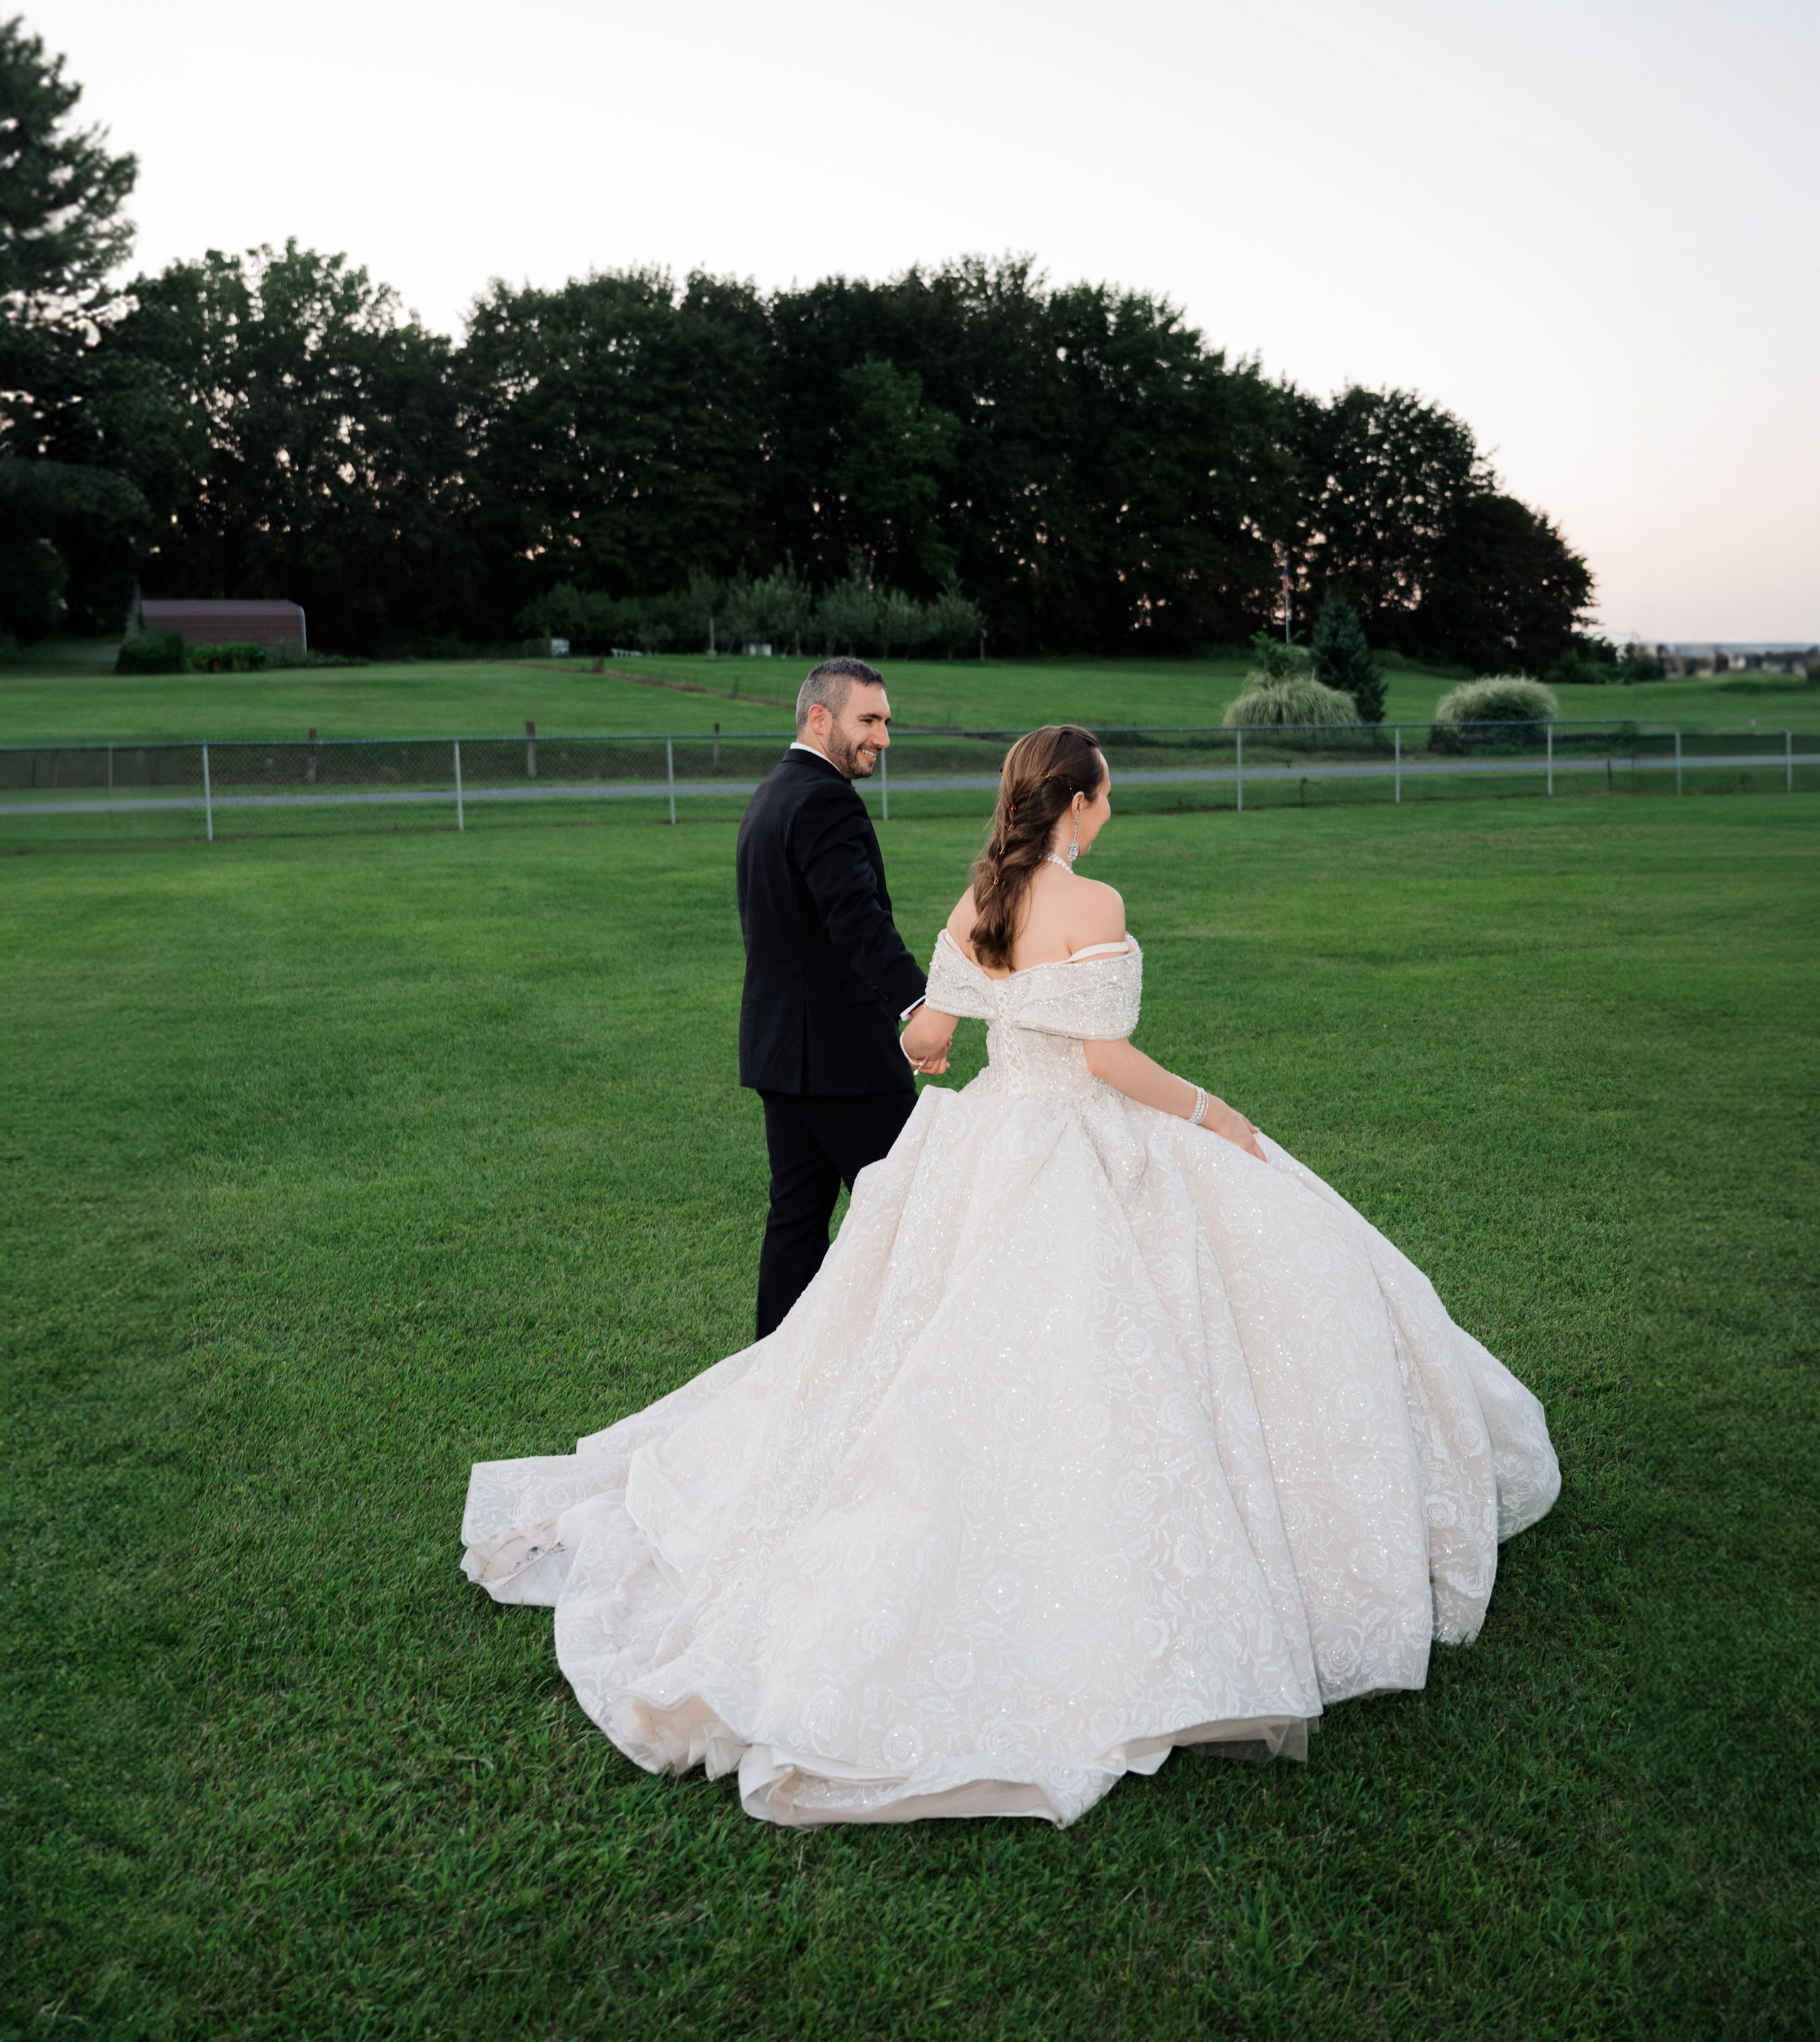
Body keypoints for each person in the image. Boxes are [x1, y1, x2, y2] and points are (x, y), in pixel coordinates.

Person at [462, 725, 1561, 1829]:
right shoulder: (1096, 904)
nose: (1113, 809)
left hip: (987, 1141)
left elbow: (928, 1035)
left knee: (939, 1350)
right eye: (1107, 793)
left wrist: (949, 1040)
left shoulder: (981, 896)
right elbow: (1109, 1062)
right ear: (1076, 801)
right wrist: (1216, 1112)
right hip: (1078, 1142)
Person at [734, 656, 931, 1337]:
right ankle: (906, 1374)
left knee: (796, 1220)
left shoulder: (770, 795)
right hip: (842, 1061)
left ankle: (772, 1381)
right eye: (868, 720)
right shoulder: (824, 799)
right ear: (820, 718)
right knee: (915, 1209)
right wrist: (917, 1004)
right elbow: (857, 919)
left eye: (886, 721)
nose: (883, 737)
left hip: (782, 1052)